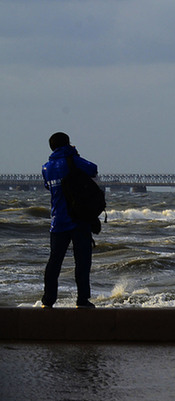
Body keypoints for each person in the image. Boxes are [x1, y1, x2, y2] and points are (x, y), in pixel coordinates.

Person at [41, 132, 98, 308]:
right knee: (82, 261)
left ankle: (48, 301)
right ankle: (82, 300)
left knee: (54, 261)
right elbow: (93, 169)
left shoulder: (46, 168)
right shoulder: (73, 160)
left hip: (57, 222)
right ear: (68, 144)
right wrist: (74, 155)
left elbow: (47, 186)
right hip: (78, 219)